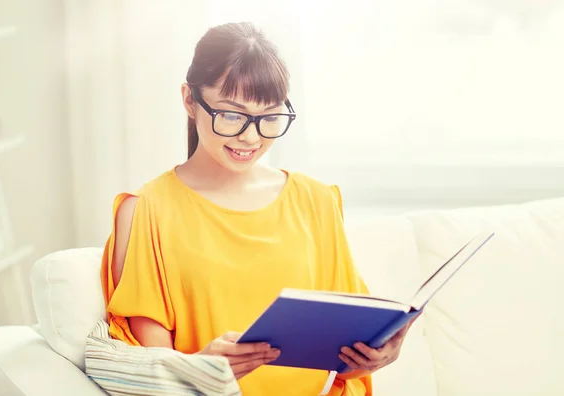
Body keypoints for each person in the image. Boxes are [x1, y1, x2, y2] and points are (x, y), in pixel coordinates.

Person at [101, 21, 417, 396]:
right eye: (232, 115)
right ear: (189, 100)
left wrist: (374, 352)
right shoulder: (147, 211)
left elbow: (342, 355)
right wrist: (203, 366)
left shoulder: (316, 200)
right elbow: (154, 368)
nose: (251, 137)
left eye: (269, 117)